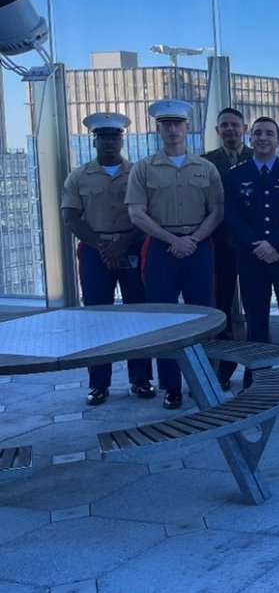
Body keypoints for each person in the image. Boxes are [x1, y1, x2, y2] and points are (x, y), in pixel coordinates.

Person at [126, 99, 224, 409]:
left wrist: (192, 239)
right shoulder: (144, 168)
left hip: (197, 246)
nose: (172, 130)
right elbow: (137, 214)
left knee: (202, 317)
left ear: (187, 128)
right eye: (165, 125)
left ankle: (203, 381)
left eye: (177, 124)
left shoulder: (205, 168)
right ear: (158, 129)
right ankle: (171, 387)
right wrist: (172, 239)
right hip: (161, 247)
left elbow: (217, 211)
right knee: (164, 320)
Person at [61, 112, 154, 406]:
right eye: (103, 138)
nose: (109, 143)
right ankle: (99, 384)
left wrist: (122, 244)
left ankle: (141, 380)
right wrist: (103, 246)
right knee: (97, 319)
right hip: (95, 249)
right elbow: (71, 217)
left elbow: (148, 214)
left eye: (114, 138)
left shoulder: (138, 173)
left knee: (138, 316)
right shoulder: (79, 175)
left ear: (122, 141)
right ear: (94, 142)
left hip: (132, 245)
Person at [222, 116, 279, 387]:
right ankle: (257, 376)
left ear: (278, 140)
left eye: (269, 134)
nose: (263, 137)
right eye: (258, 133)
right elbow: (233, 218)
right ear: (250, 138)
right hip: (251, 261)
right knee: (256, 321)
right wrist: (257, 246)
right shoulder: (236, 175)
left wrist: (274, 244)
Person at [201, 107, 253, 389]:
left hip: (251, 248)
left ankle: (252, 369)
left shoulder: (257, 157)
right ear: (217, 131)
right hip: (219, 248)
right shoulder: (206, 163)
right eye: (225, 126)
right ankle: (223, 369)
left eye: (235, 125)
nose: (230, 130)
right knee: (222, 310)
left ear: (244, 128)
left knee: (253, 310)